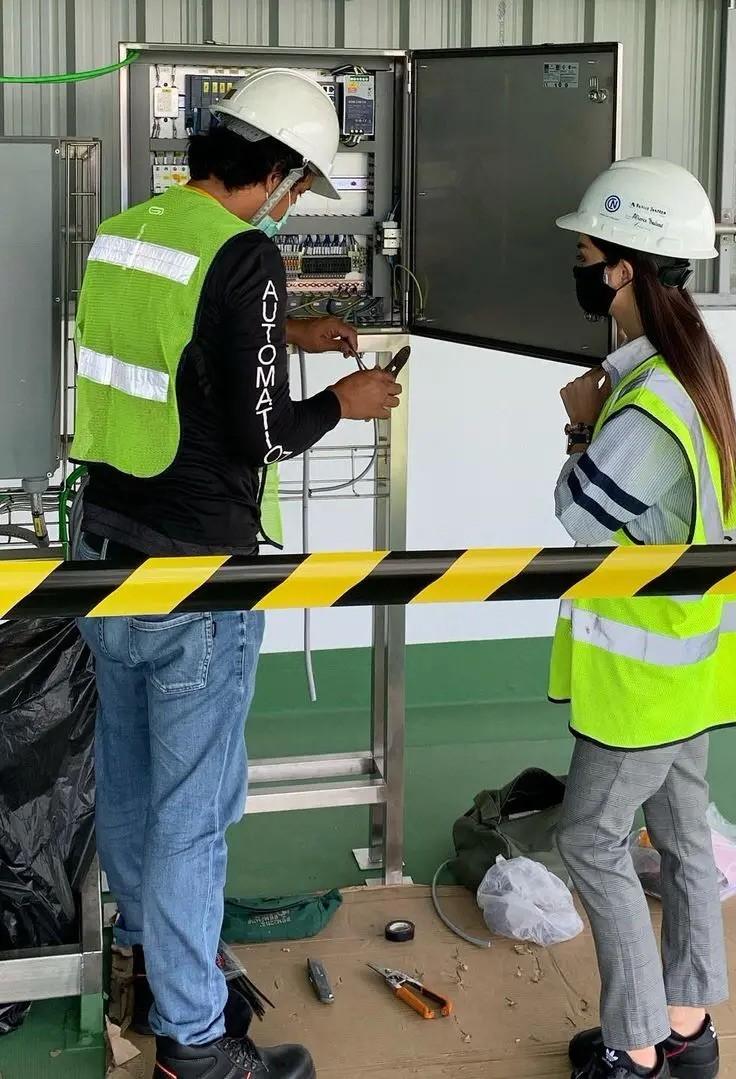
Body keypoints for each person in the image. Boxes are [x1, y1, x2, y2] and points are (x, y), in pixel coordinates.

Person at [70, 69, 400, 1079]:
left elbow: (173, 354)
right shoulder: (245, 253)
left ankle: (149, 963)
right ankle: (197, 1041)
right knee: (194, 817)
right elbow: (264, 433)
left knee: (131, 789)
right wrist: (345, 399)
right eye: (298, 186)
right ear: (278, 172)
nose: (292, 205)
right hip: (198, 582)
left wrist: (284, 333)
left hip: (104, 564)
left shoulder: (124, 233)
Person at [549, 157, 736, 1079]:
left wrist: (580, 426)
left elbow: (579, 512)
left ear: (623, 270)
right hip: (694, 667)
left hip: (644, 681)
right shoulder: (695, 368)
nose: (580, 272)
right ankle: (688, 1026)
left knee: (590, 838)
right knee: (681, 840)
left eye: (587, 257)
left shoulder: (648, 404)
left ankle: (634, 1048)